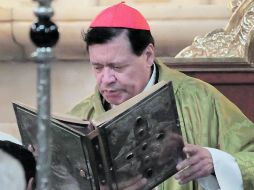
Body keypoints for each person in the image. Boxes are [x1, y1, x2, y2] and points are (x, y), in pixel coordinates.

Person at [70, 2, 254, 190]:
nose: (106, 79)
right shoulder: (80, 118)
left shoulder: (199, 100)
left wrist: (216, 162)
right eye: (98, 67)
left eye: (117, 67)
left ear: (148, 55)